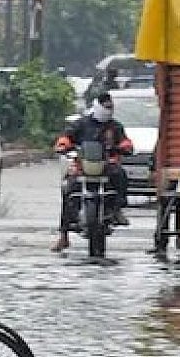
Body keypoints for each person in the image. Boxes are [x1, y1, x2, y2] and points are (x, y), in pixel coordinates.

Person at [51, 91, 134, 252]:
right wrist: (63, 144)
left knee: (120, 175)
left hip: (107, 166)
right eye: (105, 106)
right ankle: (64, 236)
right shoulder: (82, 124)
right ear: (97, 105)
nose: (108, 110)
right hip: (83, 166)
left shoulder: (115, 126)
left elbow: (125, 141)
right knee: (68, 188)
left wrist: (124, 147)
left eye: (110, 107)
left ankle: (117, 210)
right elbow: (67, 136)